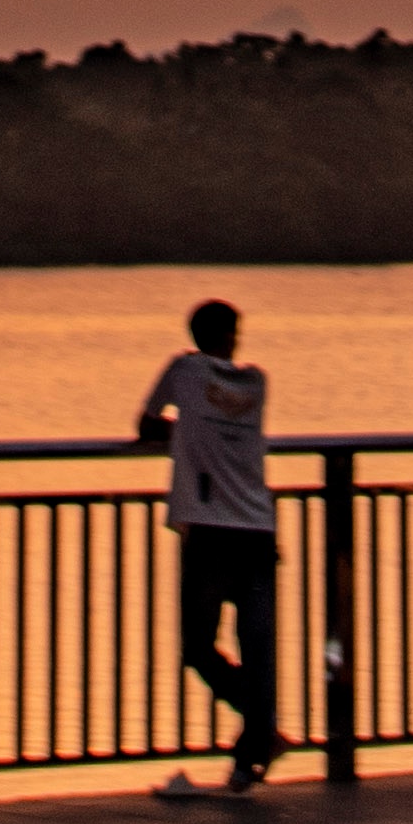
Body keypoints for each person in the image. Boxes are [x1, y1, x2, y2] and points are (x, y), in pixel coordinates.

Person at [136, 296, 281, 798]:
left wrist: (186, 435)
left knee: (198, 647)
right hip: (260, 529)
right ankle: (253, 752)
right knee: (258, 649)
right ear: (231, 337)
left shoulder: (184, 371)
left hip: (209, 530)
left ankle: (260, 731)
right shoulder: (257, 383)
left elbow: (146, 423)